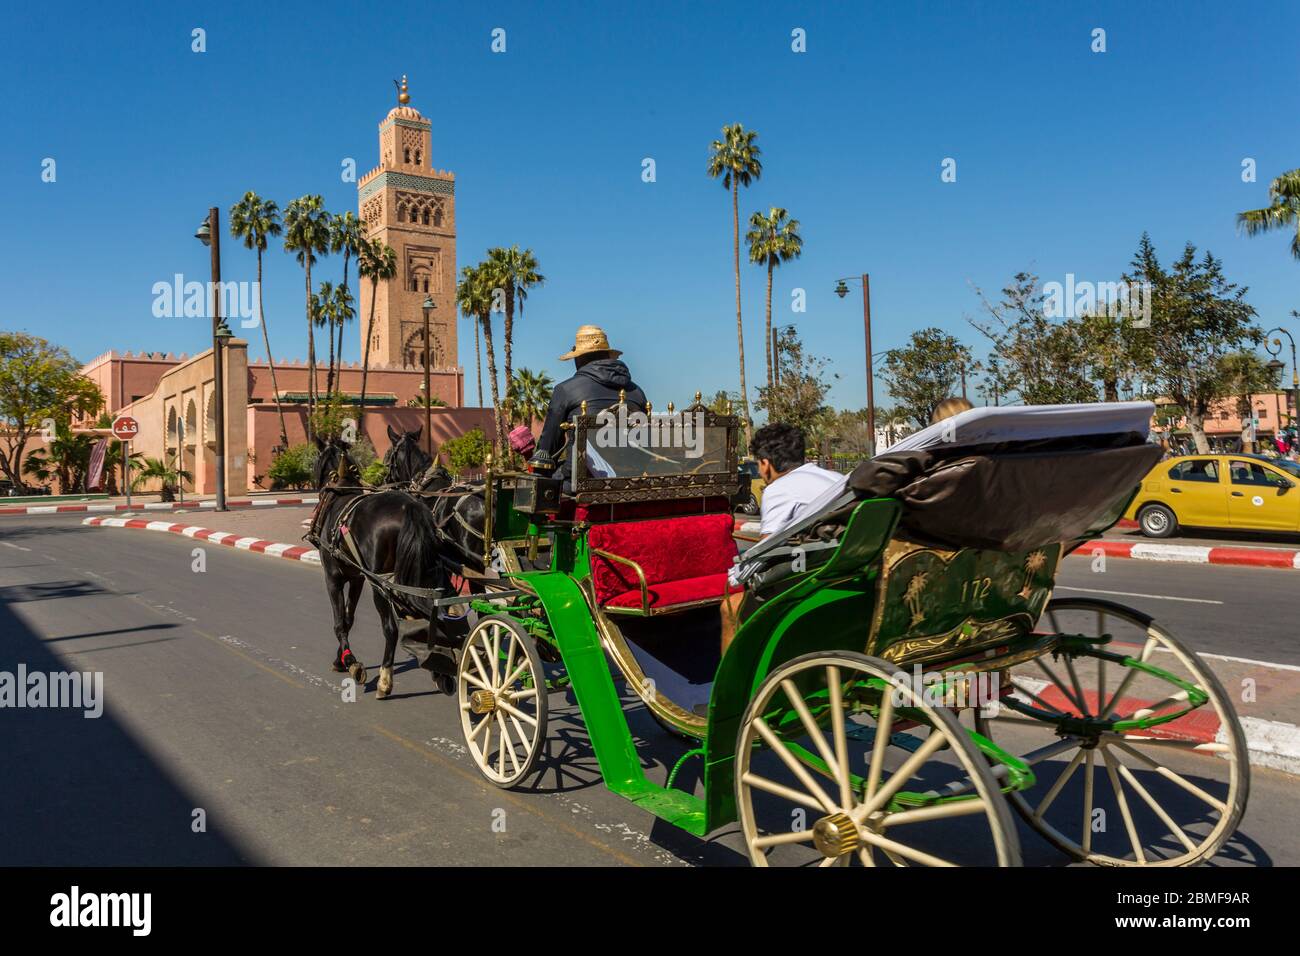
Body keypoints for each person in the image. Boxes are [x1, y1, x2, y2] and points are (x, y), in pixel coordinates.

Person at [719, 423, 845, 653]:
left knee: (730, 608)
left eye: (758, 464)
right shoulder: (835, 477)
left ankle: (731, 686)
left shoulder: (779, 488)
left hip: (808, 579)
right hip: (838, 570)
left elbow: (768, 550)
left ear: (766, 464)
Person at [535, 325, 647, 480]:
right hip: (632, 480)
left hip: (582, 482)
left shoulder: (566, 390)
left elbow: (547, 451)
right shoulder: (637, 392)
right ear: (608, 355)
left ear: (579, 358)